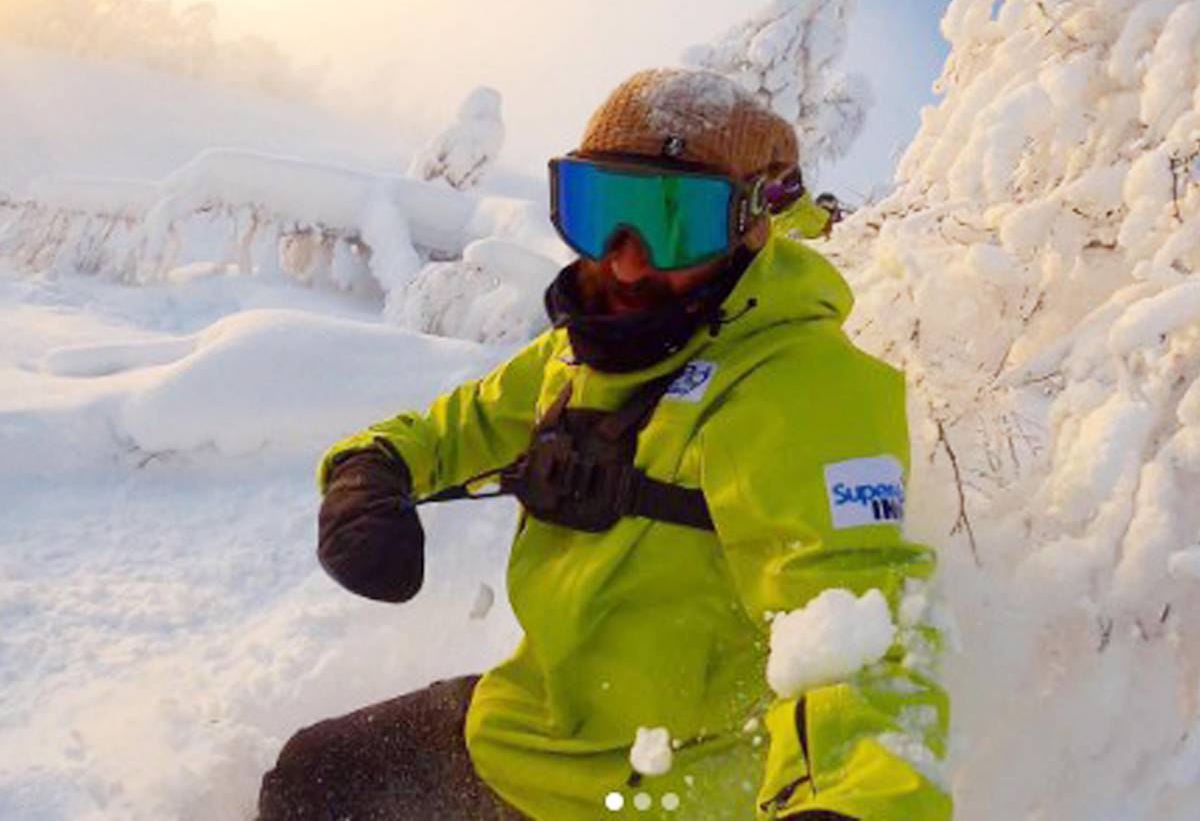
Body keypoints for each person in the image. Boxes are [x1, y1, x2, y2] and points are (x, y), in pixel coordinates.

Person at [258, 68, 951, 820]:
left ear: (750, 222)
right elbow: (449, 428)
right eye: (601, 212)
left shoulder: (799, 388)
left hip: (654, 794)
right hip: (526, 730)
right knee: (312, 778)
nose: (625, 259)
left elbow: (856, 634)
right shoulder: (584, 352)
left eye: (672, 220)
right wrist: (370, 472)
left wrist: (853, 805)